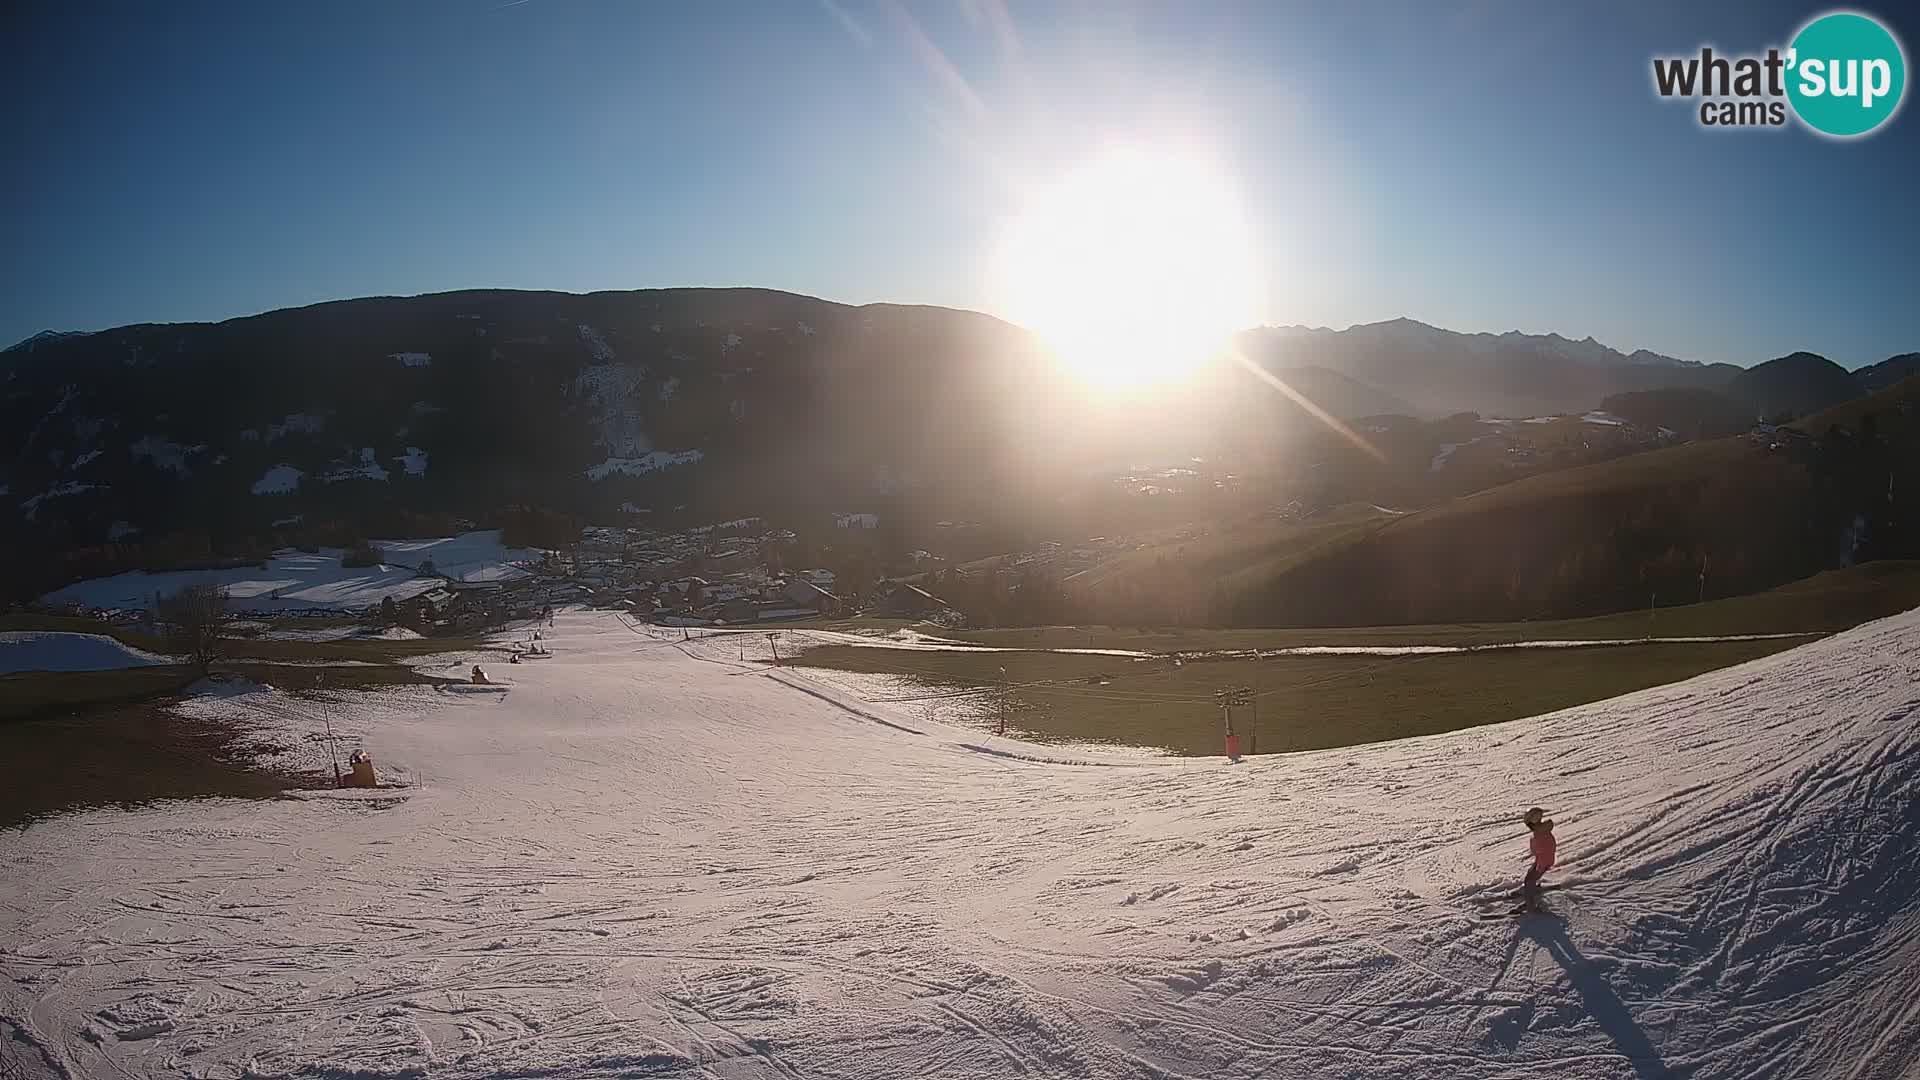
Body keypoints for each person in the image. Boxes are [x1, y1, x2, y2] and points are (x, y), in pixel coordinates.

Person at [1522, 806, 1556, 900]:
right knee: (1529, 876)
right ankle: (1531, 890)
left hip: (1543, 861)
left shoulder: (1541, 832)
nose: (1529, 828)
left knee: (1530, 879)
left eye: (1529, 825)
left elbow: (1546, 848)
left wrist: (1540, 863)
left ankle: (1532, 900)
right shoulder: (1541, 830)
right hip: (1542, 859)